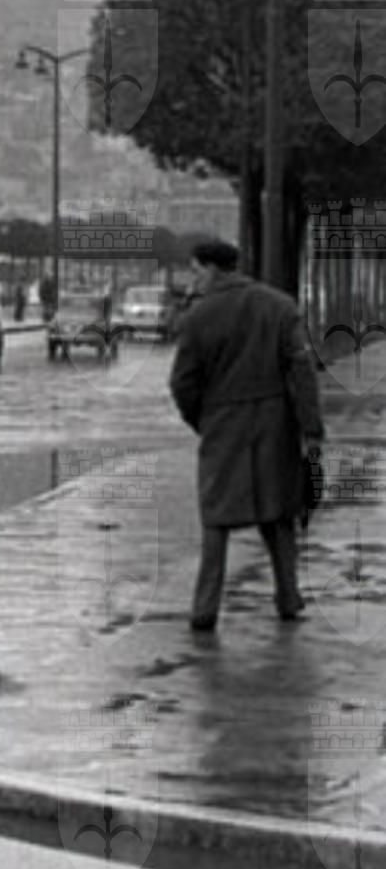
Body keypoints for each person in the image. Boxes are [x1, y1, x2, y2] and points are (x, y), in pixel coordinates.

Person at [169, 238, 323, 632]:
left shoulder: (197, 318)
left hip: (222, 425)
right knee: (279, 514)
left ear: (212, 269)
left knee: (216, 519)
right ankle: (288, 596)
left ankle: (205, 607)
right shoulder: (280, 307)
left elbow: (182, 384)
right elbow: (302, 372)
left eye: (196, 271)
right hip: (276, 424)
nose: (194, 279)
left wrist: (203, 420)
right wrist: (310, 429)